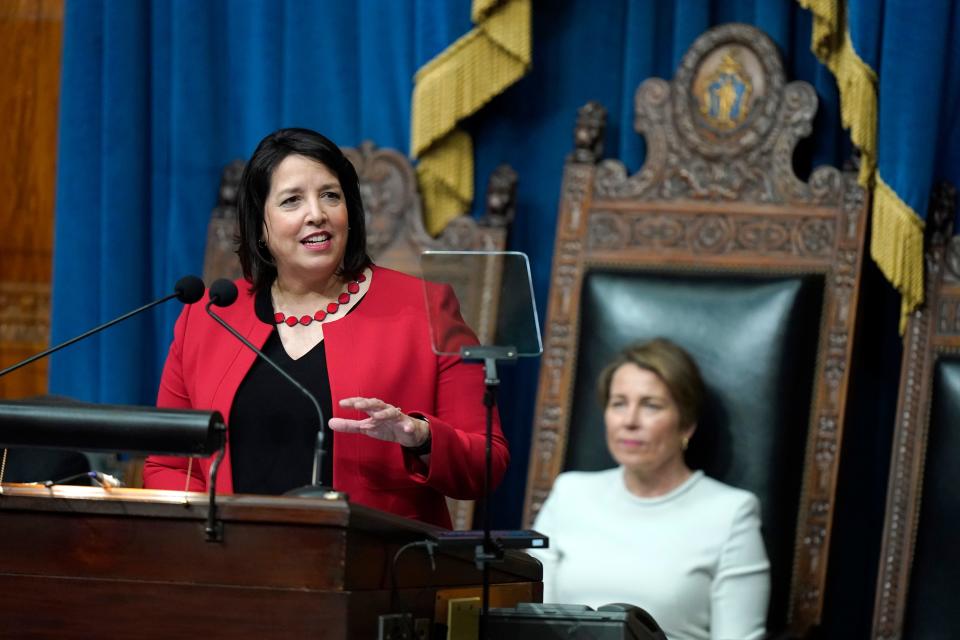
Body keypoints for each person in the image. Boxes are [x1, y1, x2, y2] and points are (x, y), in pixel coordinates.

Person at [143, 128, 508, 528]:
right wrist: (214, 537)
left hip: (376, 573)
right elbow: (168, 463)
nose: (316, 213)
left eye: (330, 196)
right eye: (291, 200)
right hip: (236, 570)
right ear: (260, 226)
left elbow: (486, 462)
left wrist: (419, 435)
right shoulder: (210, 317)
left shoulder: (427, 309)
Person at [530, 338, 769, 640]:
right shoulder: (569, 493)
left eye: (651, 405)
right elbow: (532, 620)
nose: (629, 421)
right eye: (618, 403)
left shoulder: (732, 512)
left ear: (686, 425)